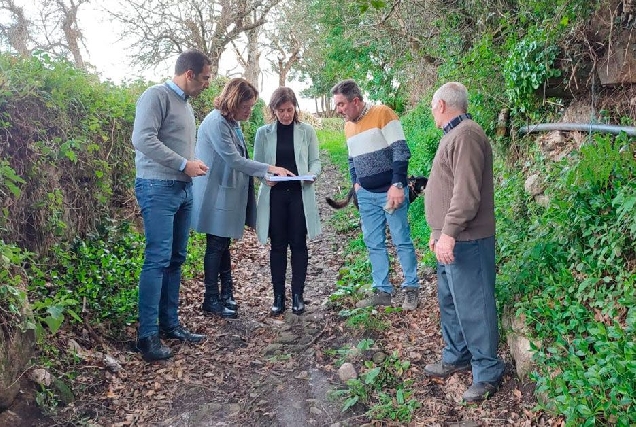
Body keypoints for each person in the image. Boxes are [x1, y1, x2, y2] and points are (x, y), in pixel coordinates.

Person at [423, 82, 504, 402]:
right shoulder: (453, 135)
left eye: (432, 106)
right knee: (452, 303)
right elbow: (445, 188)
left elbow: (466, 196)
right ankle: (457, 355)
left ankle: (487, 371)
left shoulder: (467, 135)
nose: (431, 111)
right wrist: (436, 233)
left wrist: (449, 233)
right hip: (451, 239)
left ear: (441, 105)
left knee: (475, 306)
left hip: (467, 239)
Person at [131, 49, 212, 362]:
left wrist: (191, 166)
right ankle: (147, 336)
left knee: (176, 258)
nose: (207, 83)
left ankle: (170, 325)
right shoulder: (156, 96)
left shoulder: (186, 105)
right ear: (189, 74)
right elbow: (142, 139)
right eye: (205, 78)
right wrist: (183, 164)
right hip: (157, 187)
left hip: (182, 189)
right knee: (157, 259)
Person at [191, 78, 294, 319]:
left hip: (228, 192)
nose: (249, 111)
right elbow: (234, 159)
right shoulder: (216, 122)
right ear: (234, 102)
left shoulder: (232, 122)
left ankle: (226, 294)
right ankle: (211, 298)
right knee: (215, 245)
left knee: (223, 243)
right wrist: (269, 168)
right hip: (214, 194)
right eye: (246, 106)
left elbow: (241, 155)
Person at [331, 79, 420, 311]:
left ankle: (411, 289)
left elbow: (401, 150)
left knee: (401, 240)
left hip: (390, 192)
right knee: (373, 243)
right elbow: (352, 160)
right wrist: (356, 185)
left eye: (341, 104)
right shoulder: (348, 126)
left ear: (356, 101)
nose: (338, 110)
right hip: (367, 195)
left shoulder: (383, 113)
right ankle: (383, 291)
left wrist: (398, 184)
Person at [253, 87, 322, 316]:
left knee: (299, 245)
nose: (286, 114)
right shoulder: (263, 133)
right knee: (278, 246)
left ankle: (298, 295)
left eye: (289, 109)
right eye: (281, 110)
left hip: (299, 194)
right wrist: (264, 177)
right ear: (273, 110)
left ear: (295, 108)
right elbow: (257, 165)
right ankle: (278, 296)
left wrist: (312, 174)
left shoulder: (307, 131)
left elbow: (316, 161)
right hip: (275, 197)